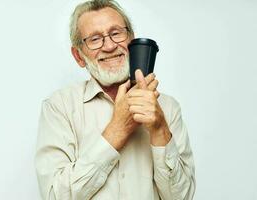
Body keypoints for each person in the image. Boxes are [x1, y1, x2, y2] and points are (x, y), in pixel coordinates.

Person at [35, 0, 196, 199]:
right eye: (95, 39)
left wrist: (160, 129)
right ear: (78, 56)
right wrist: (118, 129)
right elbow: (55, 196)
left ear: (132, 41)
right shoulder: (59, 107)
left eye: (116, 33)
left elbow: (182, 197)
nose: (110, 46)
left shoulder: (167, 108)